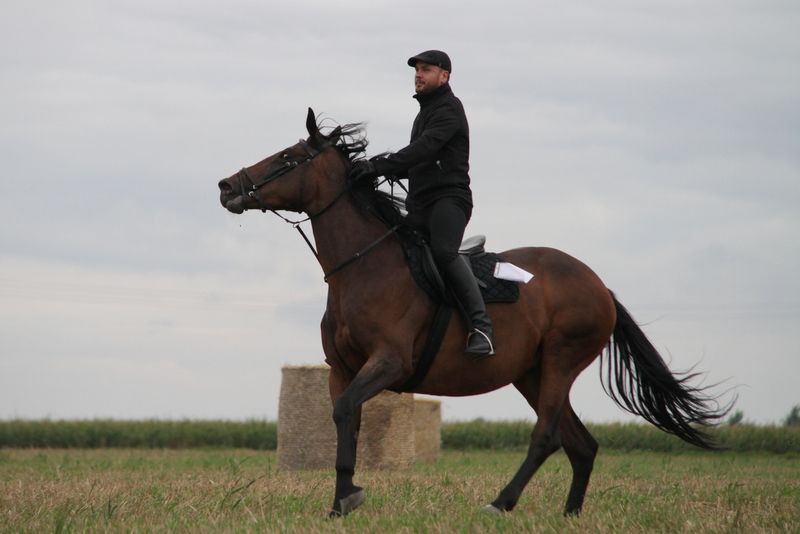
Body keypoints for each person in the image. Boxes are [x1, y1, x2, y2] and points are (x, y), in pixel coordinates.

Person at [351, 50, 495, 358]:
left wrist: (379, 166)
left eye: (426, 69)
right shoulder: (424, 113)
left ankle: (481, 327)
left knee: (443, 251)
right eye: (417, 70)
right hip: (420, 203)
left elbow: (425, 149)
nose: (418, 74)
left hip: (449, 200)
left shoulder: (449, 109)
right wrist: (370, 173)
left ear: (444, 76)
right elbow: (417, 161)